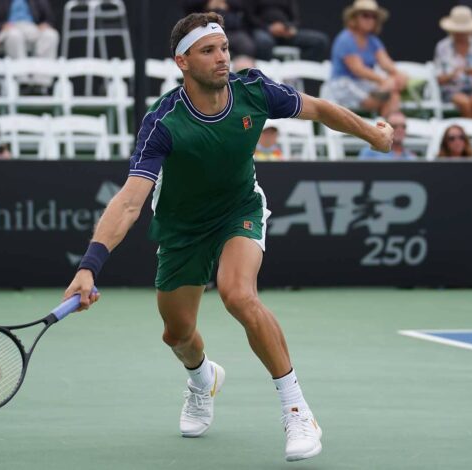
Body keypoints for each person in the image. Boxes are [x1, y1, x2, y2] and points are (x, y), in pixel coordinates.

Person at [63, 12, 392, 462]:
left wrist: (374, 135)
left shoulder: (254, 91)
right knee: (177, 334)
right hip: (182, 228)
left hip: (239, 210)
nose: (222, 58)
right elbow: (128, 202)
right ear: (182, 62)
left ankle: (297, 411)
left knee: (239, 294)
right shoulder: (164, 122)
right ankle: (202, 379)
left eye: (224, 49)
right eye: (208, 51)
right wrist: (88, 267)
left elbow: (319, 108)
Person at [328, 0, 407, 116]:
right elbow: (358, 70)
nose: (370, 19)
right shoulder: (345, 39)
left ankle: (389, 126)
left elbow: (386, 63)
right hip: (343, 85)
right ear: (354, 18)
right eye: (365, 15)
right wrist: (384, 81)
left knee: (393, 92)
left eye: (374, 16)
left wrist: (398, 75)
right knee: (390, 92)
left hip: (363, 84)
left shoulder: (373, 41)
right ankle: (386, 123)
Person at [0, 0, 59, 89]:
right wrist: (1, 26)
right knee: (15, 35)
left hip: (32, 28)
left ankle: (41, 84)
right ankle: (22, 82)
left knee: (50, 35)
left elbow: (49, 19)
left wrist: (46, 25)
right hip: (7, 31)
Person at [434, 6, 472, 120]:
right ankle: (471, 131)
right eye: (458, 31)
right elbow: (439, 79)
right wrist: (452, 75)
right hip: (452, 90)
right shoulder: (442, 47)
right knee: (464, 102)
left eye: (464, 31)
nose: (461, 34)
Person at [246, 0, 329, 62]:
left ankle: (295, 71)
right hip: (263, 30)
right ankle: (264, 78)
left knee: (319, 41)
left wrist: (288, 27)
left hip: (286, 33)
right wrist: (269, 28)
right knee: (264, 42)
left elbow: (296, 19)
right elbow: (249, 16)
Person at [183, 0, 257, 57]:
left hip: (232, 30)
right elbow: (187, 4)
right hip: (203, 30)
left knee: (246, 45)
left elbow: (244, 5)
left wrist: (225, 2)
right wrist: (208, 2)